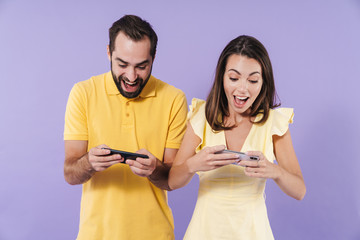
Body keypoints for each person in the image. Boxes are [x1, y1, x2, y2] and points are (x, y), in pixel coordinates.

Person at [168, 35, 306, 239]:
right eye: (234, 78)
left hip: (252, 231)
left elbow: (299, 191)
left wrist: (274, 170)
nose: (242, 89)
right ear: (222, 77)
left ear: (263, 82)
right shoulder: (202, 117)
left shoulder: (273, 123)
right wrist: (195, 163)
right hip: (205, 231)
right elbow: (172, 181)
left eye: (252, 80)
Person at [63, 15, 188, 240]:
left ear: (153, 58)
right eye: (122, 64)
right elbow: (70, 173)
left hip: (155, 234)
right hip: (96, 234)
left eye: (141, 66)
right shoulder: (83, 93)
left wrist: (154, 169)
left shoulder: (174, 99)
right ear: (109, 53)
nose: (131, 77)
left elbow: (171, 179)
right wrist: (88, 162)